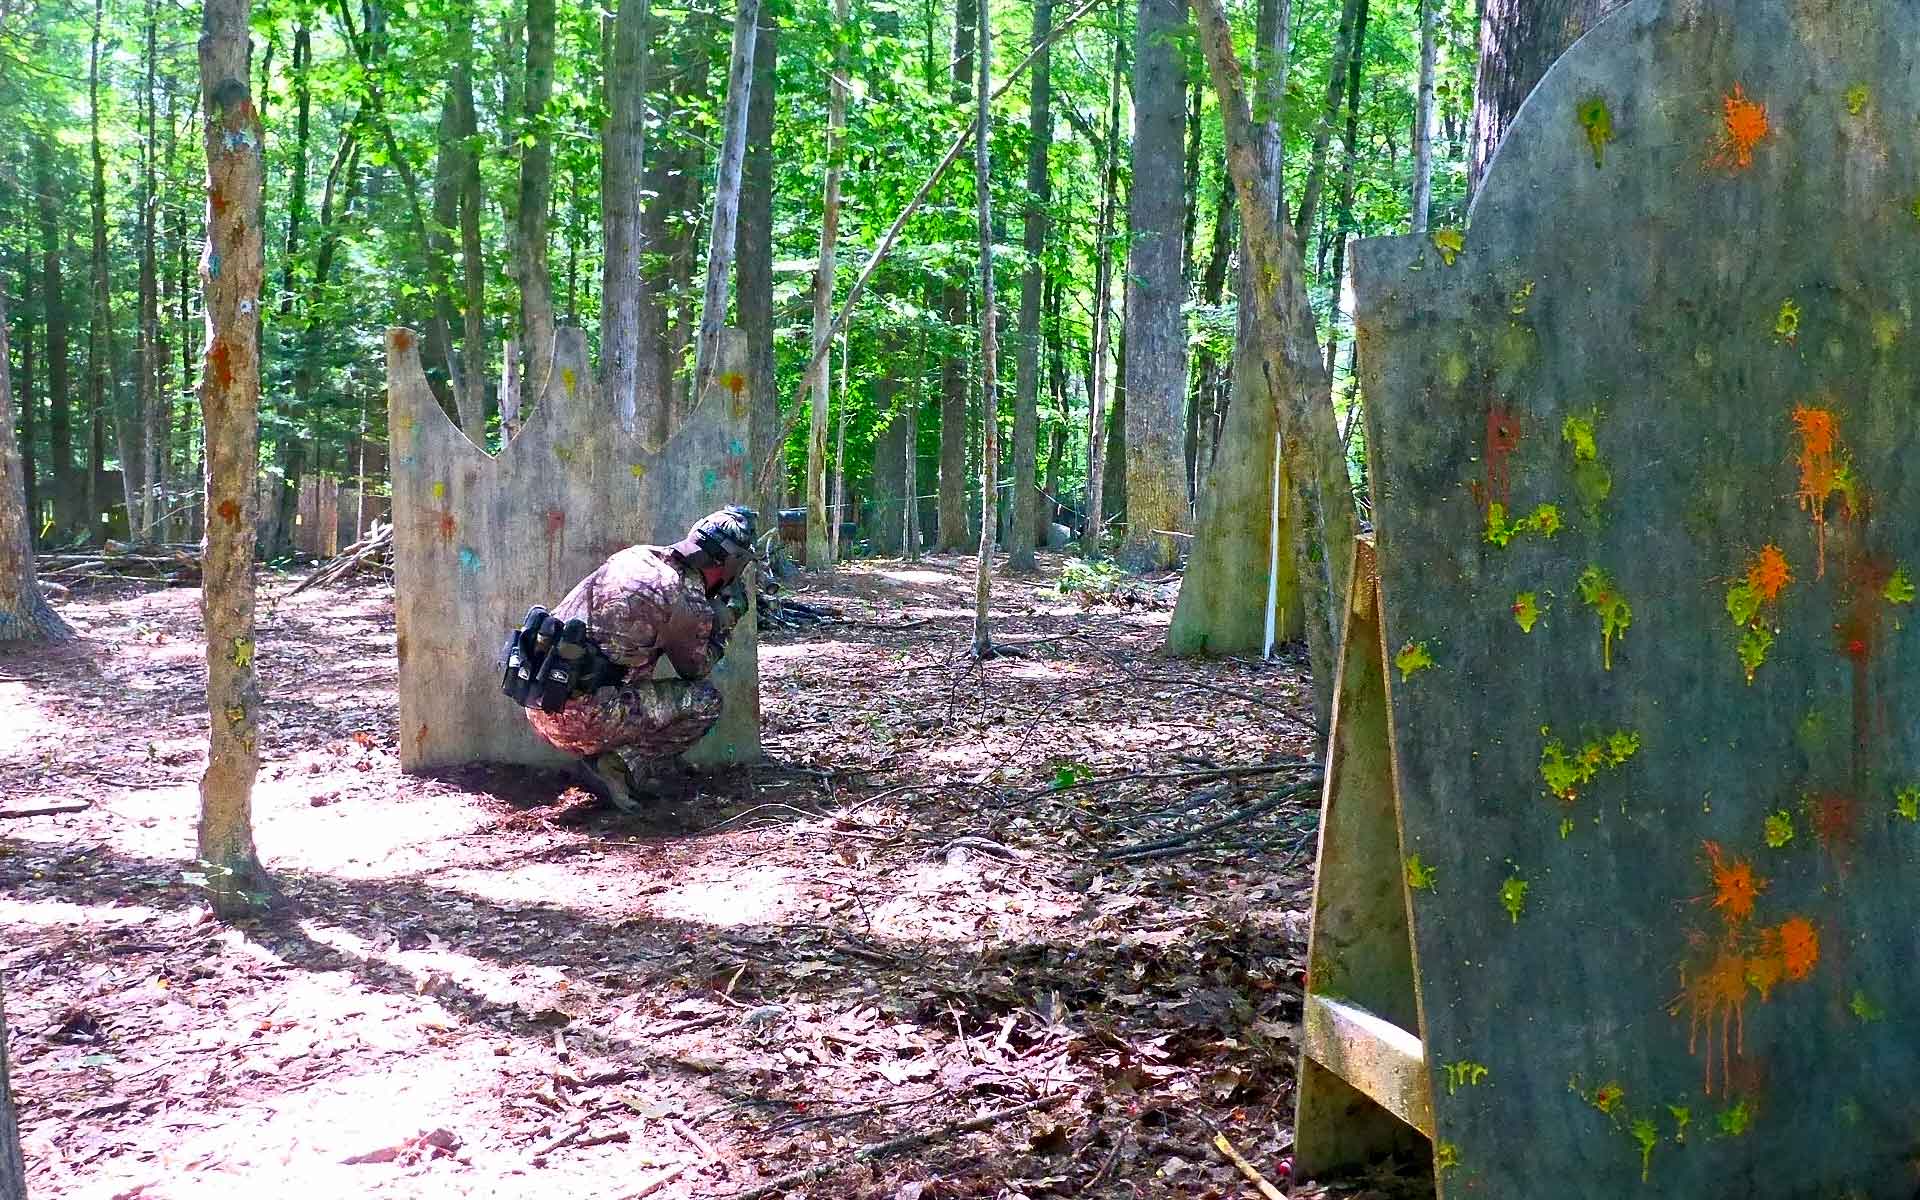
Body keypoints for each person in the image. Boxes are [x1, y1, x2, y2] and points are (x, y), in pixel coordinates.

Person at [500, 506, 757, 809]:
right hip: (581, 720)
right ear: (731, 563)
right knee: (704, 701)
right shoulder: (687, 600)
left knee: (634, 659)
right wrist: (726, 622)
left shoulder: (637, 556)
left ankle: (607, 756)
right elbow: (696, 669)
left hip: (540, 702)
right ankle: (620, 767)